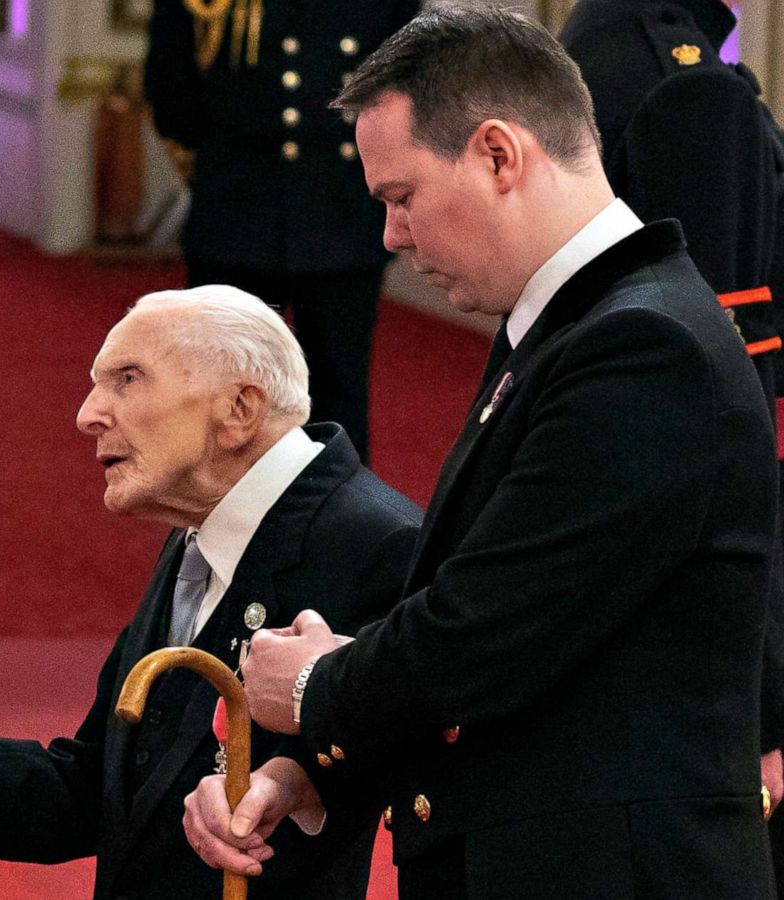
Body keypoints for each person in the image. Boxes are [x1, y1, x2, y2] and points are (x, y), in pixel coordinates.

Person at [180, 8, 777, 898]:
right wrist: (321, 768)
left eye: (401, 197)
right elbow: (522, 624)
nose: (389, 236)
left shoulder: (643, 347)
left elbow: (486, 631)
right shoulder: (576, 323)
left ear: (499, 155)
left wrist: (319, 689)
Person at [0, 286, 421, 899]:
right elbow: (105, 787)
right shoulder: (203, 528)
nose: (87, 413)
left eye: (128, 379)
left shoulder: (379, 543)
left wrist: (293, 780)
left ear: (239, 409)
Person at [557, 1, 784, 886]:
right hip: (720, 610)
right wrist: (769, 706)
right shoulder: (687, 88)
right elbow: (737, 416)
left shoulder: (604, 39)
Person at [144, 0, 419, 462]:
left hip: (341, 217)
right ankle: (222, 526)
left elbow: (407, 87)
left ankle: (339, 529)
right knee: (224, 395)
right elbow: (171, 88)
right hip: (236, 214)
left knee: (338, 394)